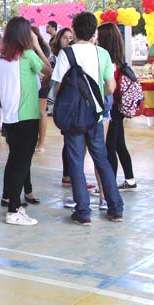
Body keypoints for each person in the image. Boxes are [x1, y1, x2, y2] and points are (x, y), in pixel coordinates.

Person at [51, 12, 125, 225]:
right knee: (101, 159)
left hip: (73, 117)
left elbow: (57, 87)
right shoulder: (101, 53)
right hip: (96, 116)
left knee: (76, 161)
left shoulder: (66, 54)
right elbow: (111, 87)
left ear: (73, 30)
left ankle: (83, 212)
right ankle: (115, 208)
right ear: (94, 32)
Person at [0, 17, 52, 225]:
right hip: (27, 117)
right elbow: (49, 71)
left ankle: (10, 200)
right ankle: (13, 210)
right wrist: (37, 47)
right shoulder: (28, 56)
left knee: (14, 160)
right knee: (22, 163)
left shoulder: (0, 59)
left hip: (9, 118)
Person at [97, 23, 137, 191]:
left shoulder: (107, 61)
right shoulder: (119, 60)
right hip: (119, 107)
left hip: (112, 108)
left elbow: (108, 87)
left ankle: (109, 186)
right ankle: (130, 179)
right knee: (119, 144)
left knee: (109, 147)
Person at [50, 28, 75, 186]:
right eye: (65, 38)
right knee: (70, 140)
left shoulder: (72, 55)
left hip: (69, 102)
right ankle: (69, 175)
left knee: (69, 141)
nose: (68, 40)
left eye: (71, 37)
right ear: (59, 40)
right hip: (67, 103)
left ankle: (68, 174)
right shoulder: (60, 57)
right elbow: (57, 85)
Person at [31, 26, 53, 152]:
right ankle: (35, 140)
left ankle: (41, 143)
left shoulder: (42, 48)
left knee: (41, 112)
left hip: (42, 83)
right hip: (32, 84)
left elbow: (46, 69)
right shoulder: (26, 50)